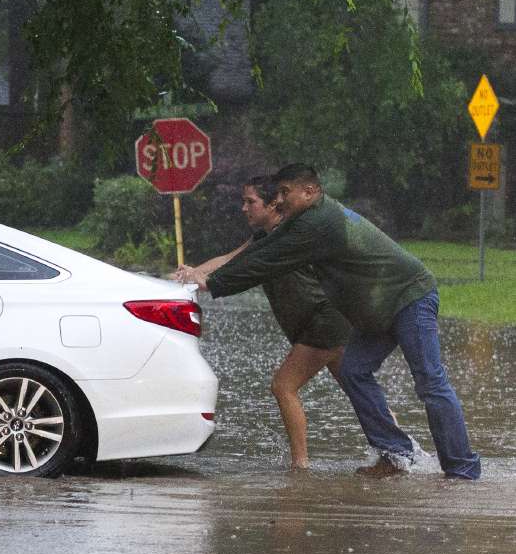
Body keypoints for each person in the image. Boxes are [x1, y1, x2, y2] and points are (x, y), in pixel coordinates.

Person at [185, 163, 480, 479]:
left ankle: (461, 470)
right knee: (354, 370)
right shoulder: (302, 220)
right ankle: (396, 455)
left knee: (430, 382)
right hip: (376, 309)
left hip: (410, 297)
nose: (280, 199)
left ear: (309, 192)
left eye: (286, 192)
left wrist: (213, 283)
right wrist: (208, 276)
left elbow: (266, 262)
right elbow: (263, 248)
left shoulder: (318, 223)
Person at [173, 176, 353, 469]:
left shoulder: (286, 238)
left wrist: (208, 283)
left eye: (250, 202)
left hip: (322, 322)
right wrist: (189, 274)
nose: (244, 208)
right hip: (325, 322)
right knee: (358, 388)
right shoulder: (264, 237)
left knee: (283, 386)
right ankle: (398, 449)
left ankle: (300, 466)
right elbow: (230, 258)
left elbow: (243, 271)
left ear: (273, 205)